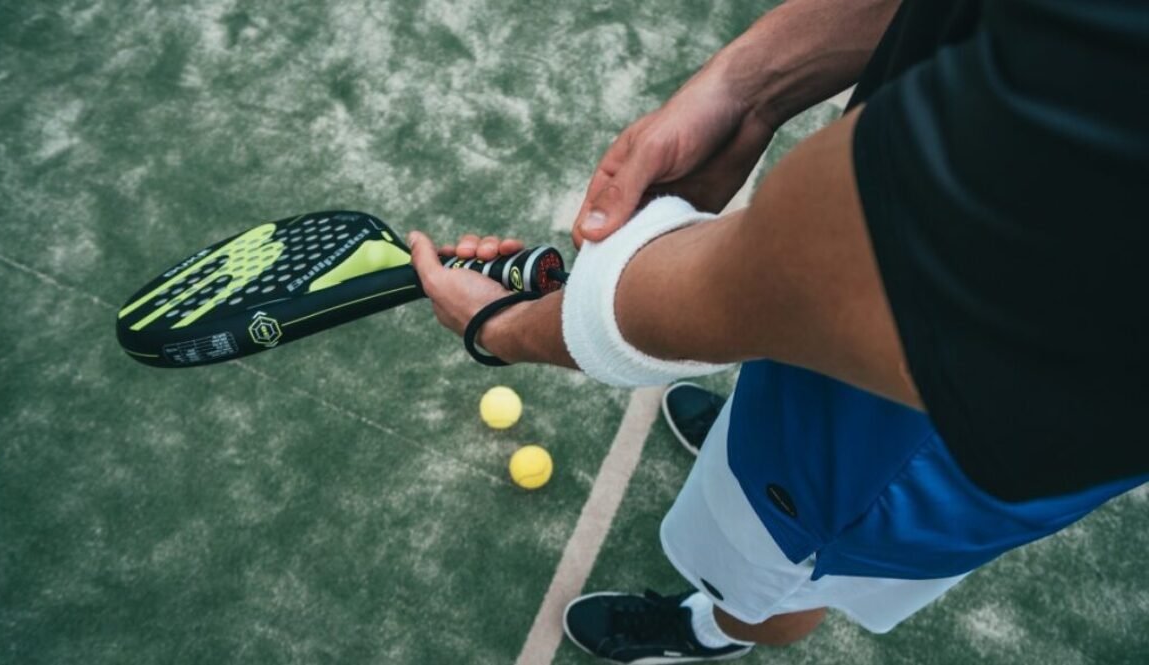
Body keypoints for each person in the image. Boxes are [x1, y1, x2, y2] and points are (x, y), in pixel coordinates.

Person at [407, 0, 1149, 662]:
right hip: (895, 336)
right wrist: (746, 87)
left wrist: (502, 328)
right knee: (768, 421)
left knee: (776, 574)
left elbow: (792, 281)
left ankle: (716, 626)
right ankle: (746, 444)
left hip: (906, 450)